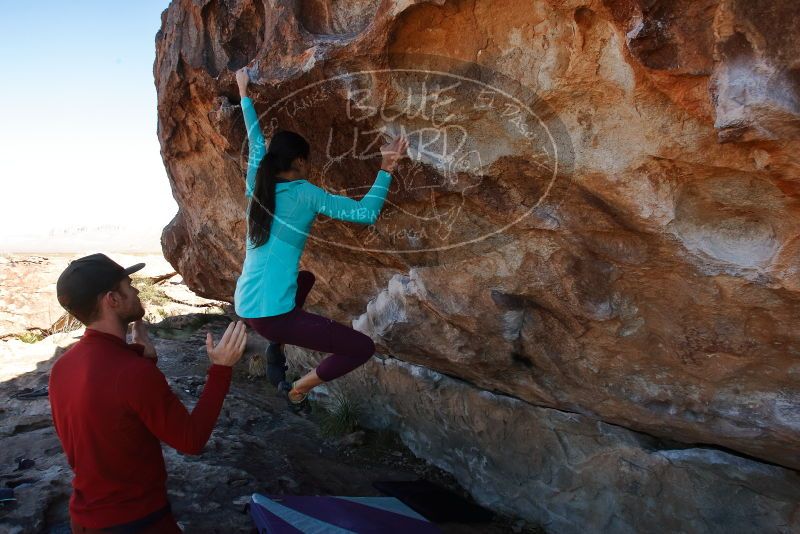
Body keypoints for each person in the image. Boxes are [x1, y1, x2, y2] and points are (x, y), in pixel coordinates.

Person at [232, 66, 408, 413]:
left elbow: (254, 140)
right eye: (306, 162)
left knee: (305, 279)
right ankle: (298, 388)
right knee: (360, 348)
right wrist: (387, 166)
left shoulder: (256, 184)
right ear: (298, 162)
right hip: (272, 317)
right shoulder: (305, 194)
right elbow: (365, 213)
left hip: (245, 304)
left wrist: (244, 92)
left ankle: (276, 346)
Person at [49, 253, 247, 533]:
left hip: (84, 518)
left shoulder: (62, 368)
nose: (136, 290)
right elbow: (191, 440)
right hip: (136, 521)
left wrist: (146, 362)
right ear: (112, 299)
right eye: (128, 285)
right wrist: (221, 369)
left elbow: (113, 420)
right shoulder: (132, 372)